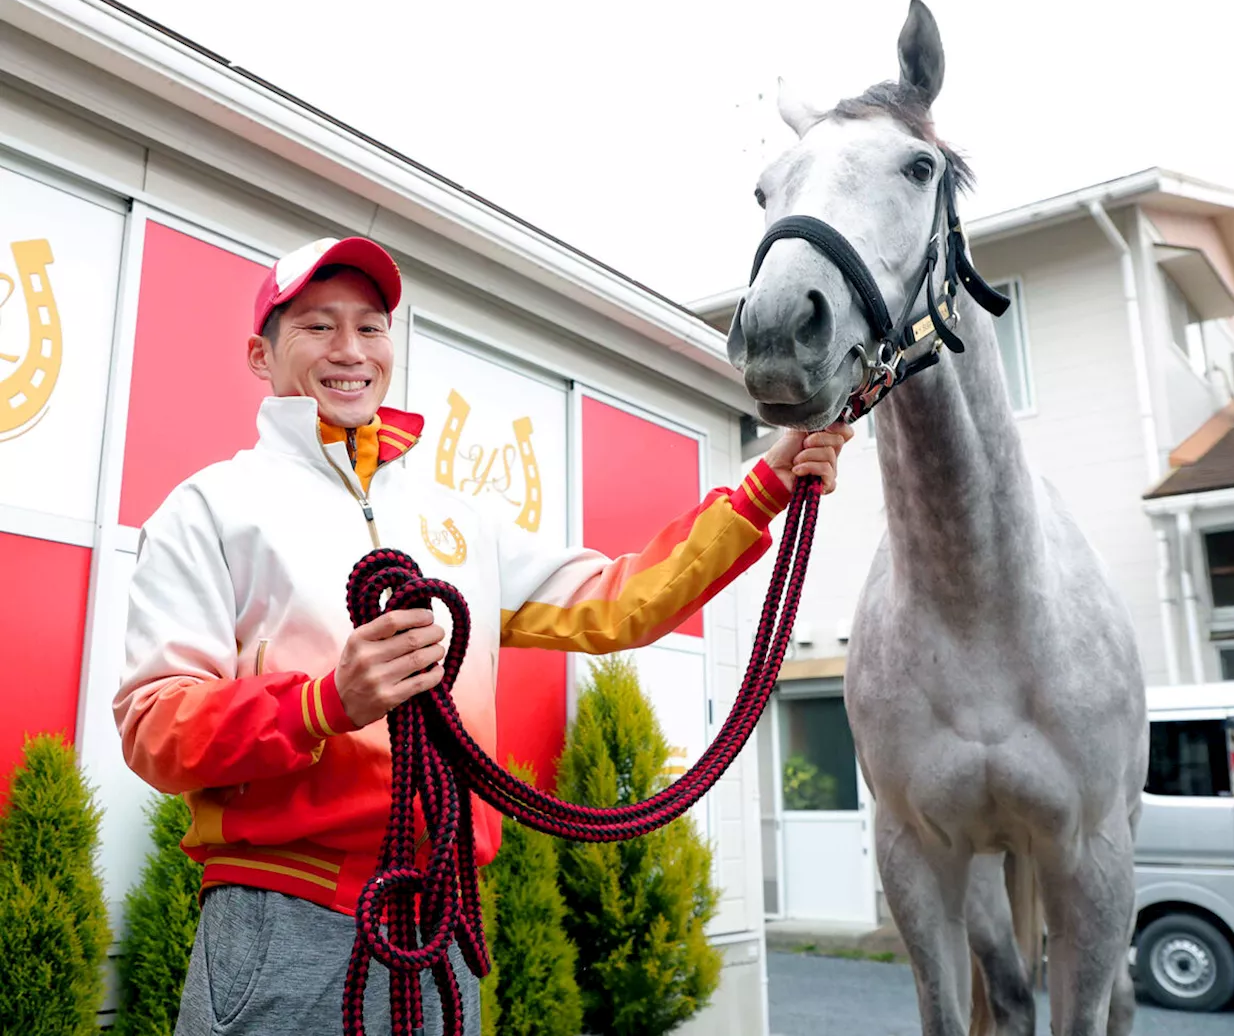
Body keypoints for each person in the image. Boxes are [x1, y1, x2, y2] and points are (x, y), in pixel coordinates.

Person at [114, 236, 853, 1036]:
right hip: (284, 916)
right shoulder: (211, 508)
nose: (350, 351)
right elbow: (155, 726)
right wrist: (325, 704)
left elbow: (615, 602)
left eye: (370, 327)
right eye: (317, 328)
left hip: (441, 925)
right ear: (261, 354)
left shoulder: (456, 520)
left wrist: (767, 487)